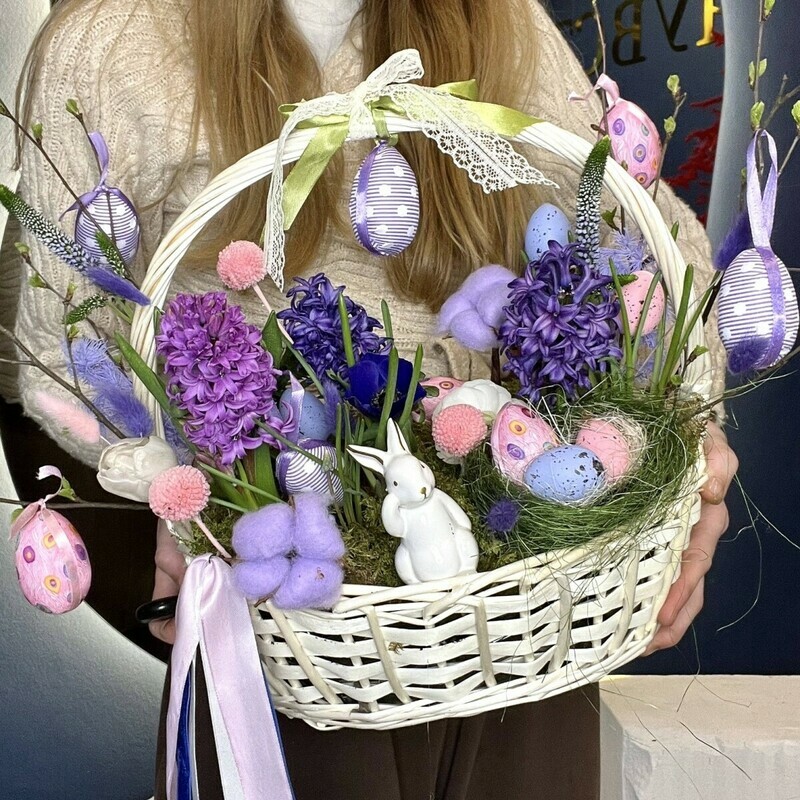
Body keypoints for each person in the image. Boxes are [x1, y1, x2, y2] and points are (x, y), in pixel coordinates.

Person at [7, 0, 738, 798]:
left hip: (516, 613)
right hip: (294, 629)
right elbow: (67, 346)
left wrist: (691, 441)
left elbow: (651, 241)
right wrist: (179, 478)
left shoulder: (499, 21)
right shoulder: (115, 40)